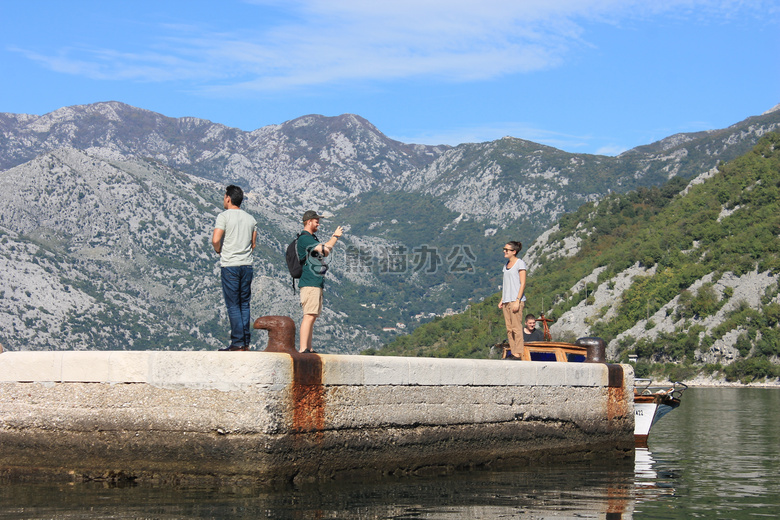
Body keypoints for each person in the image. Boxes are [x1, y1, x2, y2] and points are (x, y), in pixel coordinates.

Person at [211, 185, 257, 351]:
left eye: (224, 197)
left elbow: (216, 240)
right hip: (247, 265)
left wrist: (219, 250)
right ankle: (245, 343)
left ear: (228, 198)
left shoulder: (223, 216)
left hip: (230, 265)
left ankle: (237, 343)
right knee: (244, 304)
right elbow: (253, 244)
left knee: (233, 305)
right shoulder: (251, 219)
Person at [297, 210, 343, 353]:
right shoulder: (305, 239)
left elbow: (325, 251)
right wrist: (335, 237)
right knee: (309, 315)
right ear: (308, 222)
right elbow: (324, 250)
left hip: (315, 282)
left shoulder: (312, 239)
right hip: (310, 282)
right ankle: (303, 348)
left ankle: (308, 348)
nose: (318, 223)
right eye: (316, 220)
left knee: (313, 316)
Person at [498, 241, 527, 359]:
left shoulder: (520, 263)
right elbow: (507, 284)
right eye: (504, 249)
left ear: (514, 251)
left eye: (507, 249)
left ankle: (519, 353)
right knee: (509, 329)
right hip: (506, 300)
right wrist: (502, 299)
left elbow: (522, 283)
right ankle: (513, 351)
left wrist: (518, 300)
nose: (504, 251)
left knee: (516, 328)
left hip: (515, 300)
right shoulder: (506, 265)